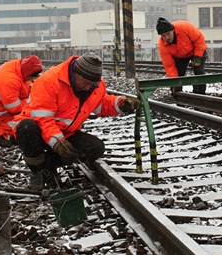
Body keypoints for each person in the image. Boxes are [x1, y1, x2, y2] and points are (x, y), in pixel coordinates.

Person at [13, 51, 140, 190]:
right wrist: (59, 144)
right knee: (26, 128)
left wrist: (120, 104)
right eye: (85, 83)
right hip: (39, 130)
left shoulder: (94, 86)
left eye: (92, 85)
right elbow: (43, 120)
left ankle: (49, 166)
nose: (88, 87)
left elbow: (101, 103)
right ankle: (39, 172)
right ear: (74, 73)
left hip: (65, 133)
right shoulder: (50, 81)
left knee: (96, 148)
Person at [0, 55, 43, 146]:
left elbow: (24, 88)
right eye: (30, 77)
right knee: (24, 120)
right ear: (27, 72)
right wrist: (30, 102)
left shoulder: (18, 67)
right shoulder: (9, 80)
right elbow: (14, 108)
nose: (30, 80)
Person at [156, 17, 207, 96]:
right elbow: (169, 66)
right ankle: (178, 97)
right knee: (178, 76)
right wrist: (175, 82)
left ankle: (200, 95)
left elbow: (199, 40)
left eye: (168, 34)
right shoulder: (162, 46)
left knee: (199, 72)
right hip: (180, 57)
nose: (166, 37)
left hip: (196, 50)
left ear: (172, 30)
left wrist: (197, 57)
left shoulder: (184, 27)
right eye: (163, 35)